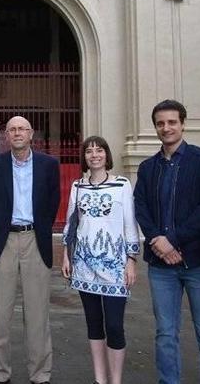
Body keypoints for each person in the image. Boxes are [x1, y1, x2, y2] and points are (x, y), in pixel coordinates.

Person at [133, 99, 200, 384]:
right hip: (161, 266)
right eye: (160, 123)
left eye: (172, 122)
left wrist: (172, 240)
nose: (166, 128)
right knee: (165, 333)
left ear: (183, 124)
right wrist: (158, 241)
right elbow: (141, 207)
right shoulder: (148, 167)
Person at [0, 116, 60, 384]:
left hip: (35, 240)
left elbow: (53, 201)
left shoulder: (49, 164)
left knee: (38, 313)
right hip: (4, 240)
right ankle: (0, 373)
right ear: (6, 135)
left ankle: (40, 374)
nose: (17, 133)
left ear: (31, 134)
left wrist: (39, 228)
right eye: (12, 129)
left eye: (22, 129)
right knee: (1, 314)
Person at [62, 136, 139, 384]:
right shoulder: (77, 187)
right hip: (84, 266)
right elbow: (70, 224)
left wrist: (131, 259)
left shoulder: (122, 185)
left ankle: (115, 380)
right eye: (89, 151)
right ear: (84, 157)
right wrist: (66, 256)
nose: (94, 155)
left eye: (99, 150)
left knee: (115, 326)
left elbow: (130, 224)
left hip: (115, 266)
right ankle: (100, 379)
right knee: (94, 325)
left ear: (106, 154)